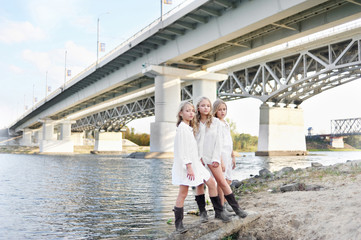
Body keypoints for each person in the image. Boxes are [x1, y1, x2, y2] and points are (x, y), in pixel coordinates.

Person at [172, 102, 230, 234]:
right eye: (187, 111)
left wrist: (196, 161)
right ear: (181, 113)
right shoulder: (182, 128)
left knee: (211, 182)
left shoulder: (188, 127)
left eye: (192, 110)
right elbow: (182, 150)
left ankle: (218, 212)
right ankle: (179, 225)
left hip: (194, 163)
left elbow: (192, 148)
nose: (191, 113)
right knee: (183, 193)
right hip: (186, 166)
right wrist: (189, 167)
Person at [193, 96, 247, 221]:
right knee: (200, 185)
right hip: (199, 159)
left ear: (210, 108)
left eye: (208, 106)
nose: (206, 108)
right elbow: (194, 141)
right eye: (203, 105)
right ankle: (203, 213)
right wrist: (197, 158)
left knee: (222, 182)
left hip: (212, 157)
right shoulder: (194, 122)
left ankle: (236, 209)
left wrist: (217, 158)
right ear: (198, 108)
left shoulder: (216, 122)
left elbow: (219, 142)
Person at [213, 98, 237, 212]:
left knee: (228, 180)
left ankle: (226, 203)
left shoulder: (226, 123)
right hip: (221, 154)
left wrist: (233, 156)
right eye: (220, 110)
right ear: (215, 111)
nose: (222, 112)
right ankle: (221, 206)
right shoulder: (216, 123)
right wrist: (220, 160)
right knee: (221, 181)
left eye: (224, 109)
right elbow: (217, 143)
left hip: (228, 153)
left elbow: (229, 141)